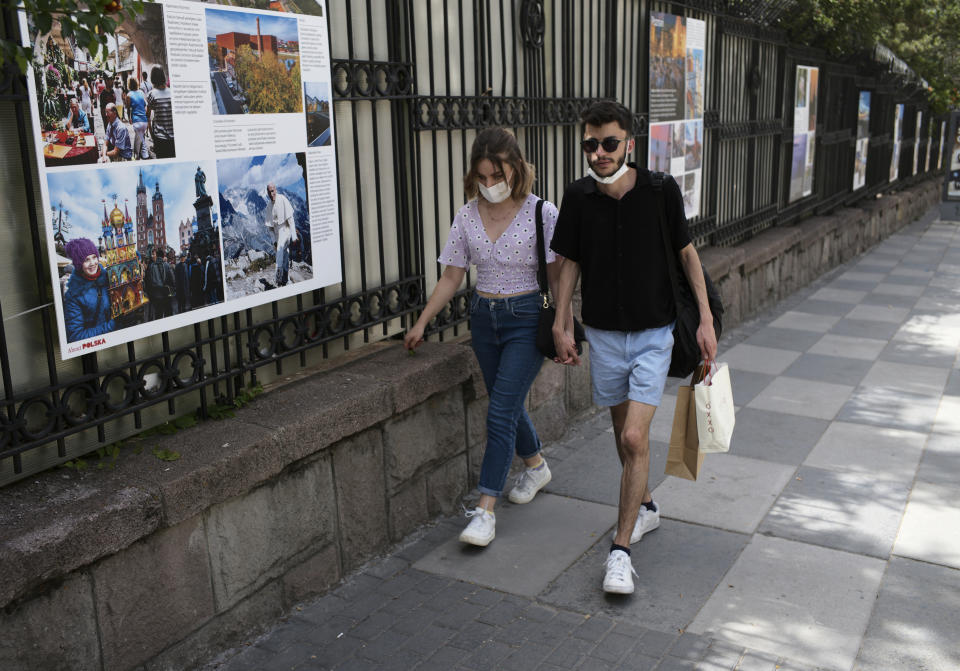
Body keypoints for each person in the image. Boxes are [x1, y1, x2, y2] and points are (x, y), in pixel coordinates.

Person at [550, 101, 717, 595]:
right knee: (622, 430)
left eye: (608, 143)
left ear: (630, 144)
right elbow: (567, 265)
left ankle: (619, 552)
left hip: (653, 335)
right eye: (590, 144)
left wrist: (706, 320)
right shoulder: (578, 197)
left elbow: (689, 257)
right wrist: (560, 322)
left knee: (633, 440)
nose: (599, 153)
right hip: (602, 334)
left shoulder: (660, 191)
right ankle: (645, 505)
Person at [403, 127, 566, 547]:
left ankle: (484, 511)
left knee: (498, 414)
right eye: (483, 177)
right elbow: (452, 275)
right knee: (505, 404)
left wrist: (562, 324)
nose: (490, 185)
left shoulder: (541, 212)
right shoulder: (466, 216)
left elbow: (558, 276)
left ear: (516, 168)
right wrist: (422, 322)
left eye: (498, 175)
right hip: (483, 319)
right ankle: (536, 465)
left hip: (527, 318)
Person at [63, 238, 115, 343]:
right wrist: (113, 325)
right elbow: (75, 336)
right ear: (78, 264)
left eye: (94, 257)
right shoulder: (74, 295)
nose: (92, 263)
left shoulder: (108, 279)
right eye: (86, 260)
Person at [264, 182, 298, 287]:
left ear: (276, 190)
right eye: (269, 192)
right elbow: (270, 228)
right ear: (267, 193)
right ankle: (285, 280)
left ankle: (278, 281)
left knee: (279, 254)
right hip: (277, 234)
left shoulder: (282, 199)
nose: (271, 194)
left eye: (273, 191)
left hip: (285, 230)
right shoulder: (268, 206)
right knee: (285, 256)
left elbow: (290, 219)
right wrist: (274, 240)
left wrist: (294, 236)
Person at [146, 66, 175, 159]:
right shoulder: (172, 93)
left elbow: (148, 117)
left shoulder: (151, 94)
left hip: (160, 138)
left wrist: (152, 136)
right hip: (173, 138)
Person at [145, 248, 175, 319]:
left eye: (153, 254)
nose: (152, 256)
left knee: (159, 315)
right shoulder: (166, 265)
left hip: (157, 296)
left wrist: (150, 294)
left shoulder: (151, 266)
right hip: (166, 293)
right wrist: (172, 289)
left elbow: (149, 282)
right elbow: (172, 279)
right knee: (168, 314)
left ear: (157, 255)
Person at [125, 76, 149, 160]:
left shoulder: (128, 95)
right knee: (141, 138)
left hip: (137, 120)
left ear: (129, 84)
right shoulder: (142, 93)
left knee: (137, 140)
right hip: (144, 120)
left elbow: (128, 109)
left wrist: (129, 118)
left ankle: (136, 156)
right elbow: (146, 106)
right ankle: (144, 155)